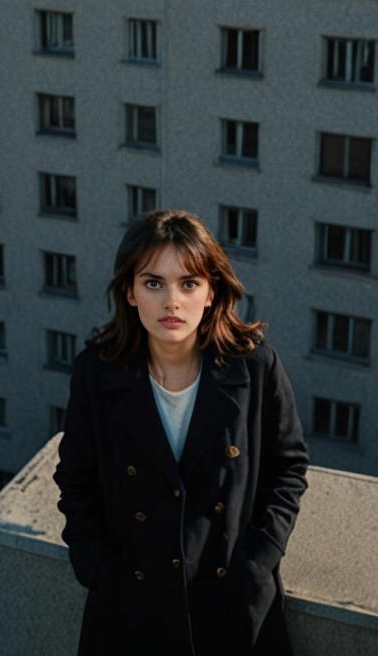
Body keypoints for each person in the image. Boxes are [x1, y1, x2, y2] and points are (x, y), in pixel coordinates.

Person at [53, 209, 309, 656]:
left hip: (232, 609)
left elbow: (287, 469)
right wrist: (96, 568)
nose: (172, 301)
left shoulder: (254, 368)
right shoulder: (97, 374)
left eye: (188, 283)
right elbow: (76, 479)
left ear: (211, 292)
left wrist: (258, 560)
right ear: (130, 292)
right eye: (153, 283)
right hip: (130, 610)